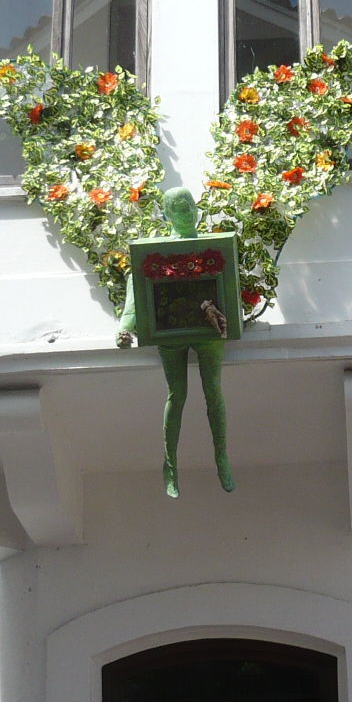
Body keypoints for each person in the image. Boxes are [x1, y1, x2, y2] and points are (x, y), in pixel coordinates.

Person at [117, 188, 236, 498]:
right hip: (169, 334)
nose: (187, 213)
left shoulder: (214, 249)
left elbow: (229, 283)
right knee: (177, 395)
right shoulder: (154, 254)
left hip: (209, 332)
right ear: (167, 214)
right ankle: (170, 467)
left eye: (190, 207)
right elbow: (135, 292)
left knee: (213, 391)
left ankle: (222, 458)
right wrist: (125, 328)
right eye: (180, 209)